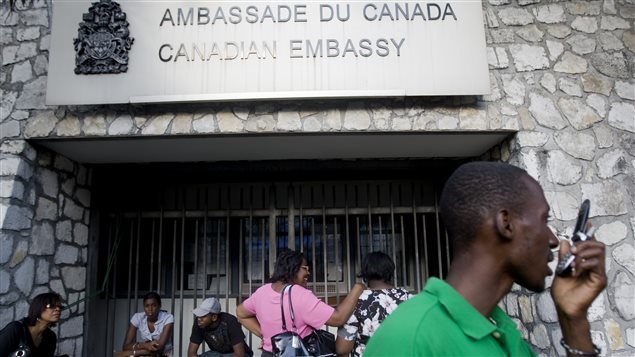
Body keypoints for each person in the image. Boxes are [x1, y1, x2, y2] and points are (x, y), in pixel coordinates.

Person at [365, 162, 607, 356]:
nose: (554, 240)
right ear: (506, 224)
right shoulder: (410, 338)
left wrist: (573, 320)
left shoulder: (504, 333)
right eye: (543, 220)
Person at [235, 249, 366, 357]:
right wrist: (357, 289)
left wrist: (266, 336)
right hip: (298, 353)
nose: (308, 273)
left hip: (269, 353)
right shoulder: (299, 294)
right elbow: (337, 318)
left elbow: (241, 313)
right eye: (305, 268)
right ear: (294, 268)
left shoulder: (262, 292)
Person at [335, 252, 413, 356]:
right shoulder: (408, 297)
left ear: (365, 272)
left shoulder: (358, 300)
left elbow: (342, 349)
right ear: (390, 271)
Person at [0, 292, 64, 357]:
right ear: (39, 308)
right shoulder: (16, 329)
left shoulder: (50, 337)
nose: (58, 309)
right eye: (51, 306)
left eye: (60, 307)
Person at [187, 297, 253, 357]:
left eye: (203, 316)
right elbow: (191, 353)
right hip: (217, 354)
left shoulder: (230, 321)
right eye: (198, 315)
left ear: (214, 317)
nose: (199, 319)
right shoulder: (199, 323)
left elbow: (239, 354)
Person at [115, 291, 174, 357]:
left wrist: (132, 353)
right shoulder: (138, 317)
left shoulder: (168, 318)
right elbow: (126, 346)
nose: (150, 309)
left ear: (159, 306)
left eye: (154, 305)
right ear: (144, 307)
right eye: (147, 306)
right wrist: (145, 345)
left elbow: (159, 348)